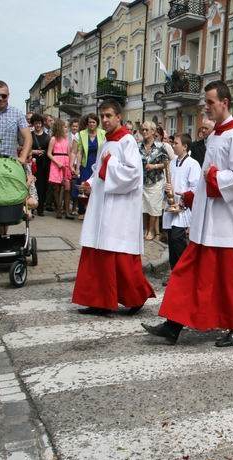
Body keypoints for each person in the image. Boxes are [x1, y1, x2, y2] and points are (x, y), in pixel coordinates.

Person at [143, 80, 233, 347]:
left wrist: (215, 177)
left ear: (224, 103)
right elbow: (207, 178)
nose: (205, 107)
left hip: (229, 225)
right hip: (208, 223)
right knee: (188, 273)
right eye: (205, 102)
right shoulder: (217, 134)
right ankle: (173, 324)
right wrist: (193, 197)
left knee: (231, 280)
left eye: (209, 102)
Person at [72, 99, 155, 315]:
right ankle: (99, 301)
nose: (105, 120)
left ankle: (136, 297)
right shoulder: (106, 142)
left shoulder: (127, 141)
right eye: (103, 117)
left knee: (119, 257)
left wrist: (109, 166)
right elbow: (98, 170)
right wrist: (89, 183)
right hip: (102, 206)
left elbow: (134, 174)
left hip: (120, 209)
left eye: (109, 116)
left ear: (119, 117)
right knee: (98, 253)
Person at [162, 133, 201, 276]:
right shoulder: (172, 163)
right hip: (171, 205)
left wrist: (182, 201)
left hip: (183, 208)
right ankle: (174, 272)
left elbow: (195, 188)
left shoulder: (193, 164)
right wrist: (166, 190)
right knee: (171, 242)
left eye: (176, 143)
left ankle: (185, 272)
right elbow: (167, 181)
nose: (173, 145)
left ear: (185, 147)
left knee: (177, 239)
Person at [139, 121, 168, 241]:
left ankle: (151, 230)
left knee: (153, 207)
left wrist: (154, 166)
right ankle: (145, 229)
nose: (144, 132)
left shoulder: (160, 146)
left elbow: (166, 163)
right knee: (143, 206)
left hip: (155, 181)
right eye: (143, 130)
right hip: (142, 181)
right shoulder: (138, 146)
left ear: (153, 131)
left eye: (147, 130)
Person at [75, 113, 106, 220]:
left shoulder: (103, 133)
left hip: (98, 164)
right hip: (86, 164)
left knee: (95, 187)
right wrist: (77, 167)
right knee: (83, 186)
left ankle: (92, 211)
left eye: (93, 122)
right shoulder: (82, 134)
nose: (91, 124)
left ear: (97, 123)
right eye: (89, 122)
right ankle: (82, 210)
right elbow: (79, 152)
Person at [0, 80, 32, 166]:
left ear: (8, 96)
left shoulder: (17, 113)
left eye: (4, 96)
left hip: (10, 164)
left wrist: (23, 157)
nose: (0, 98)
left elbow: (28, 137)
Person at [47, 119, 74, 219]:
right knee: (57, 188)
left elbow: (70, 153)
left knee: (67, 188)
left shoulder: (66, 139)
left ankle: (67, 212)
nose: (66, 129)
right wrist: (57, 162)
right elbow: (49, 153)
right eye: (65, 127)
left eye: (67, 127)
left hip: (65, 162)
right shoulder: (53, 139)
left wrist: (70, 165)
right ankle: (59, 210)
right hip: (56, 162)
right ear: (59, 127)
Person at [29, 113, 51, 216]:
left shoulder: (47, 137)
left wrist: (45, 152)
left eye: (39, 123)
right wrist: (34, 152)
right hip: (32, 164)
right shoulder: (30, 135)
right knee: (32, 185)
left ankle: (40, 208)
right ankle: (32, 207)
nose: (37, 125)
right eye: (35, 123)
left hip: (44, 164)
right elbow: (26, 149)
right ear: (33, 124)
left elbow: (51, 150)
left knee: (43, 186)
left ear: (42, 124)